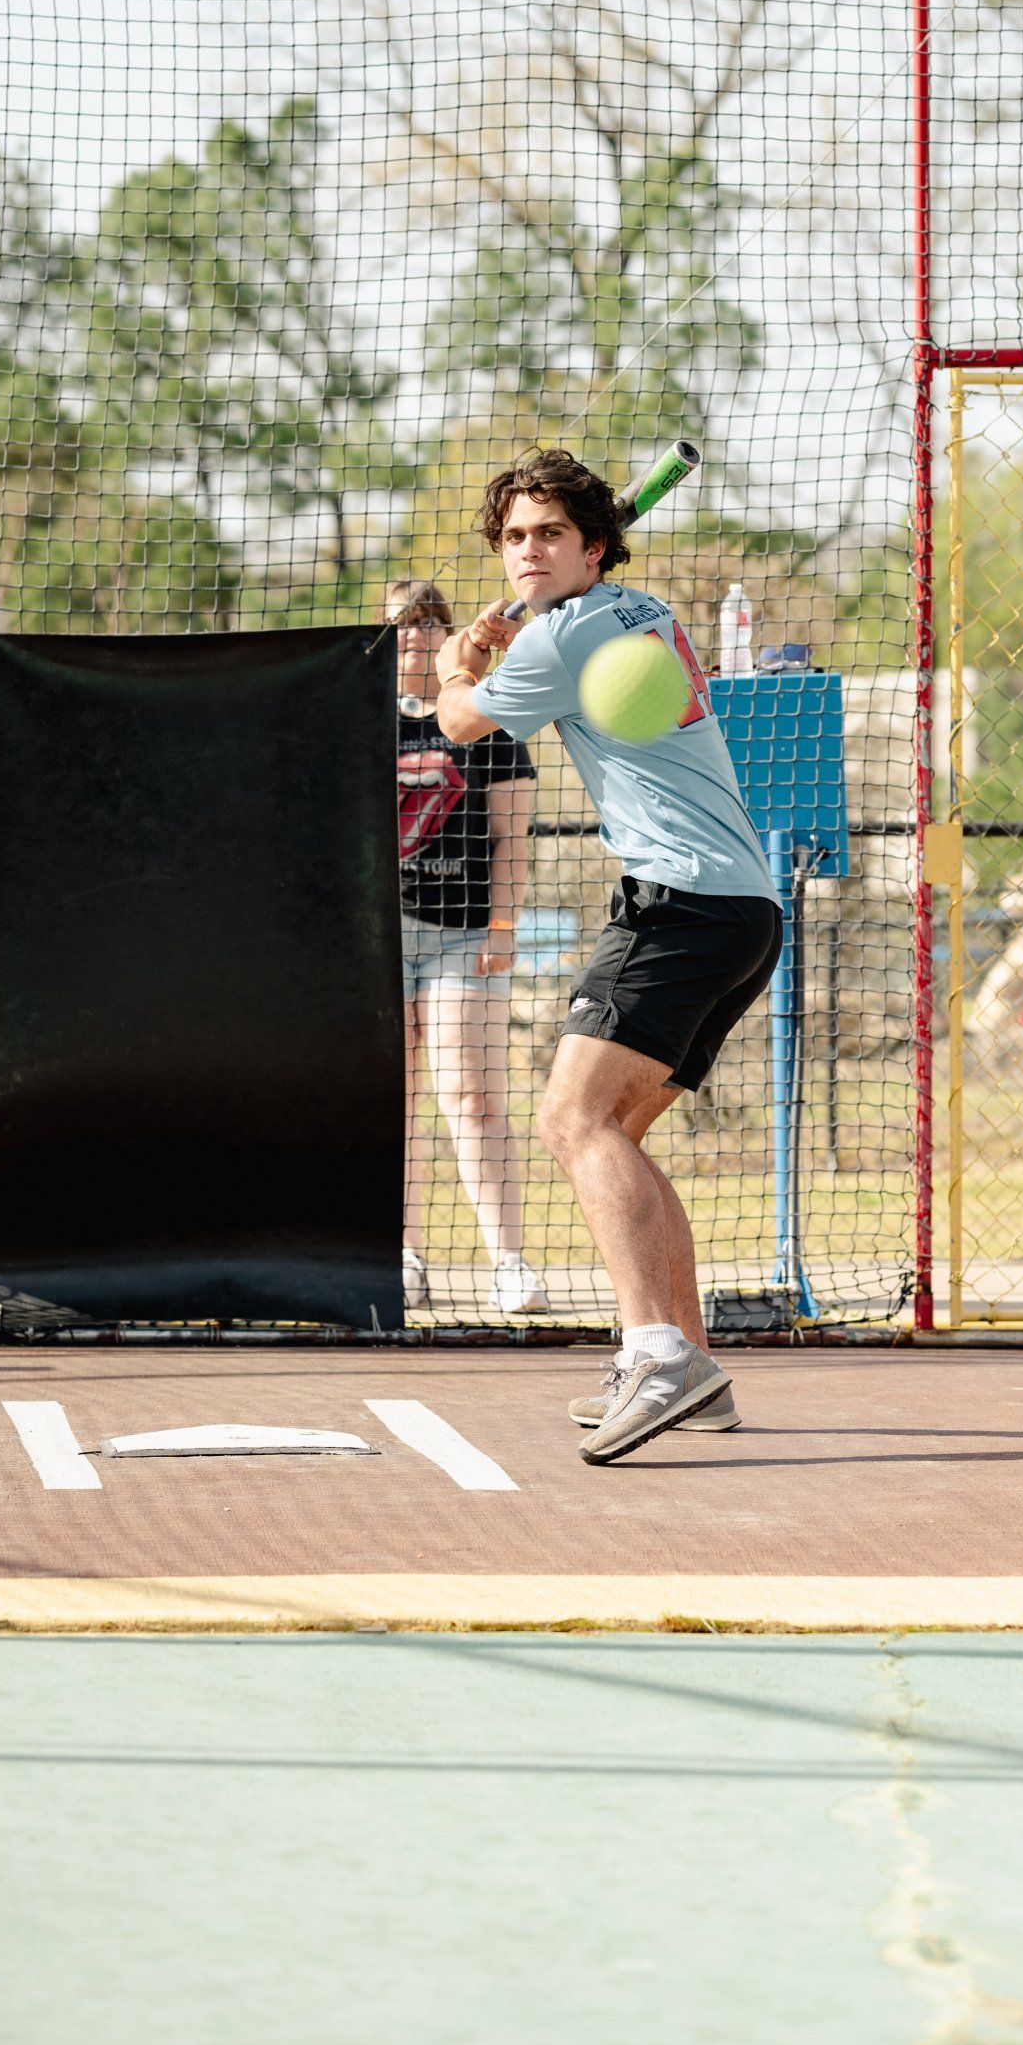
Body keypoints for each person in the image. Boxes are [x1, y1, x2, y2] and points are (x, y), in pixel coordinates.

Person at [432, 450, 780, 1462]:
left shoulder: (569, 630)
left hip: (679, 905)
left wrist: (465, 666)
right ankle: (694, 1370)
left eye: (550, 533)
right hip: (739, 907)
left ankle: (657, 1353)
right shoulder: (630, 610)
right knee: (617, 1128)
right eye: (514, 537)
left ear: (593, 545)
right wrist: (521, 636)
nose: (528, 549)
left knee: (570, 1117)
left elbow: (461, 725)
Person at [387, 577, 546, 1318]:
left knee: (473, 1097)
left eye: (430, 624)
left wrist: (505, 927)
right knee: (395, 1100)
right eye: (403, 625)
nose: (417, 636)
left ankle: (508, 1264)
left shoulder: (485, 716)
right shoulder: (355, 721)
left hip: (464, 933)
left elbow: (512, 836)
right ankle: (402, 1257)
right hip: (381, 937)